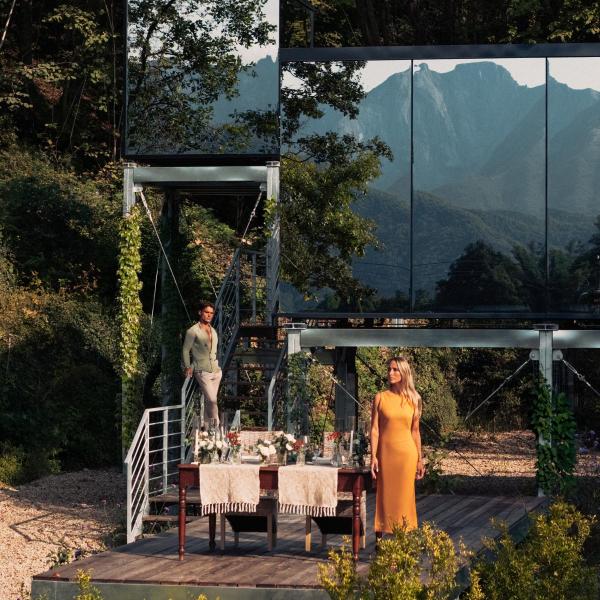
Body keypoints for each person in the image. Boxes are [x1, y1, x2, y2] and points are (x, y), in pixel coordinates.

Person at [370, 356, 425, 537]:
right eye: (389, 369)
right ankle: (380, 543)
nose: (390, 373)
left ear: (404, 373)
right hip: (386, 455)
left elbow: (415, 431)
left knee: (404, 499)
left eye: (395, 369)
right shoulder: (380, 397)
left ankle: (404, 540)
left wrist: (420, 459)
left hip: (407, 456)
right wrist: (373, 456)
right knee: (385, 497)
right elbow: (375, 430)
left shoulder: (414, 399)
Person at [182, 302, 222, 423]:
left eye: (211, 313)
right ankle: (216, 427)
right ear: (200, 312)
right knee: (212, 401)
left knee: (210, 402)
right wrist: (188, 366)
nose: (209, 315)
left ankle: (206, 429)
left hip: (216, 371)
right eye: (206, 312)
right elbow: (185, 349)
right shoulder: (192, 331)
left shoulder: (213, 331)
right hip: (202, 371)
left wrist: (218, 370)